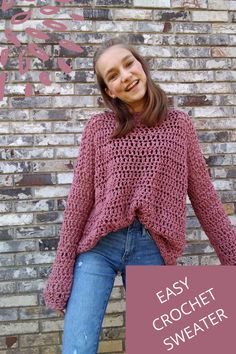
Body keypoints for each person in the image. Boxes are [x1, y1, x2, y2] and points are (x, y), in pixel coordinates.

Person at [43, 36, 236, 353]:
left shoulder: (178, 125)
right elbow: (79, 203)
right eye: (113, 75)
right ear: (109, 90)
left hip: (151, 247)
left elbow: (205, 199)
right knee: (77, 347)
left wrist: (231, 257)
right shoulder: (98, 129)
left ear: (141, 65)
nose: (125, 76)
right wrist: (61, 269)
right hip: (99, 246)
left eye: (128, 64)